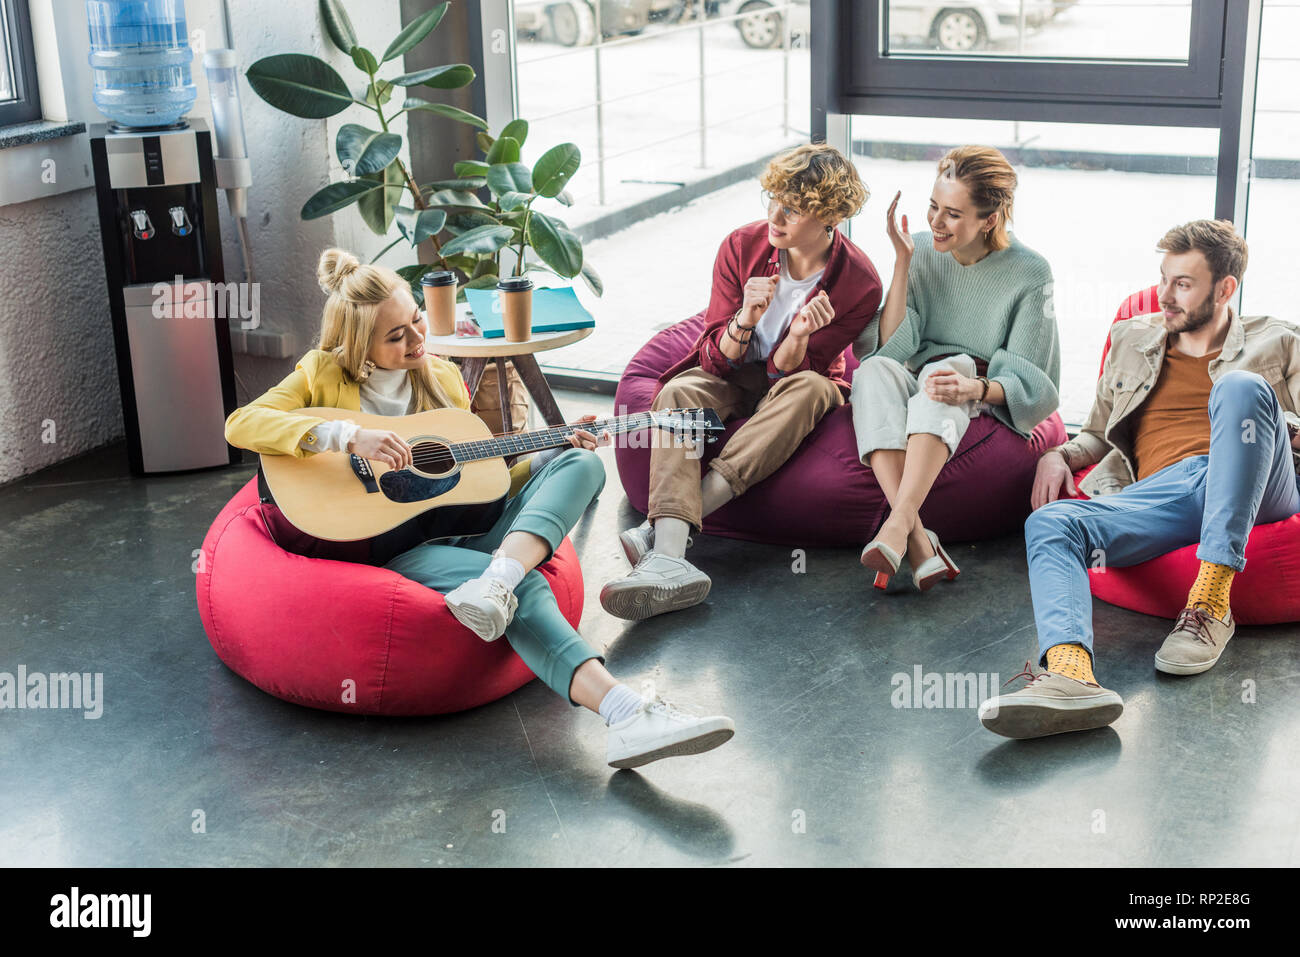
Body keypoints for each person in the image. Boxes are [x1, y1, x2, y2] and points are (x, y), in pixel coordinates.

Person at [224, 249, 735, 769]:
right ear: (359, 345)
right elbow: (242, 424)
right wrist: (348, 436)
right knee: (529, 586)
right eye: (396, 336)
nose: (417, 340)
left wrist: (554, 449)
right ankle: (625, 713)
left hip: (469, 531)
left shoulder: (441, 378)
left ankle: (498, 577)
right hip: (397, 549)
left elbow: (477, 480)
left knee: (583, 468)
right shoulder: (322, 374)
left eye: (417, 320)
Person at [979, 220, 1300, 739]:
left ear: (1225, 289)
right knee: (1051, 524)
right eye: (1164, 278)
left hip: (1259, 484)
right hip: (1164, 492)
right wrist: (1059, 454)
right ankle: (1070, 677)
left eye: (1183, 284)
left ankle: (1211, 602)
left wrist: (1271, 423)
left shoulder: (1279, 340)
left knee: (1241, 388)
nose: (1165, 295)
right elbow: (1102, 435)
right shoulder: (1133, 338)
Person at [600, 142, 882, 620]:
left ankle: (668, 539)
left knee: (814, 389)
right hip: (732, 371)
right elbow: (713, 359)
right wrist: (746, 319)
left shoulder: (859, 283)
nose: (776, 215)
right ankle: (670, 560)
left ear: (828, 214)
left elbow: (795, 372)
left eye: (792, 208)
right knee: (678, 390)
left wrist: (797, 335)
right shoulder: (742, 246)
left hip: (800, 381)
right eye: (771, 198)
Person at [852, 145, 1060, 592]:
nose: (935, 223)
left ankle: (899, 525)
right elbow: (888, 348)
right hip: (923, 373)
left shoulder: (1030, 272)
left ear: (989, 219)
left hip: (974, 385)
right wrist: (903, 261)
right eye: (932, 207)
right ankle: (917, 539)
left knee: (944, 371)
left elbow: (1033, 381)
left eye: (952, 214)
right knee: (869, 373)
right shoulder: (923, 249)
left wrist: (975, 389)